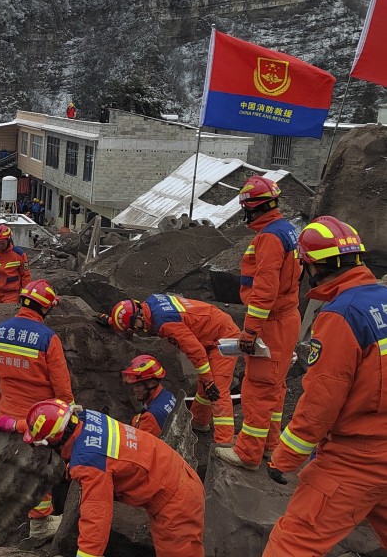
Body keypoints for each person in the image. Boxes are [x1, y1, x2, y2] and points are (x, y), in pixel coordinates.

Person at [264, 217, 387, 556]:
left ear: (312, 267)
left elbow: (321, 401)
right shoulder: (384, 299)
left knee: (292, 543)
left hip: (356, 459)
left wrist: (284, 457)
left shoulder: (341, 315)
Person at [23, 399, 205, 557]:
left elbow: (95, 521)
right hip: (174, 478)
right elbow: (53, 426)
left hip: (175, 501)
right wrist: (15, 425)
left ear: (55, 443)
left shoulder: (89, 464)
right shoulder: (86, 418)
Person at [215, 176, 301, 471]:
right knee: (275, 388)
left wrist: (250, 330)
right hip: (287, 319)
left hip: (272, 323)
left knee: (257, 388)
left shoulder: (268, 238)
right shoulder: (287, 230)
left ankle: (248, 453)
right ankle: (269, 445)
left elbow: (265, 290)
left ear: (252, 207)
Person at [0, 280, 73, 540]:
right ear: (45, 309)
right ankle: (38, 527)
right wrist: (68, 417)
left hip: (6, 415)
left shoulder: (0, 331)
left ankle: (1, 518)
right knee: (38, 473)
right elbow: (62, 388)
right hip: (39, 421)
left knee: (8, 466)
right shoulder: (48, 338)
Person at [106, 295, 237, 446]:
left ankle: (224, 443)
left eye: (133, 326)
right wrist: (111, 321)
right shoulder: (151, 303)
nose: (135, 330)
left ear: (139, 315)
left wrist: (209, 381)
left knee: (217, 389)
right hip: (212, 328)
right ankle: (199, 421)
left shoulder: (165, 324)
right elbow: (128, 316)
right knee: (205, 384)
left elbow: (195, 351)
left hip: (223, 337)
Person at [121, 355, 177, 438]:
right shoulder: (167, 395)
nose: (135, 390)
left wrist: (136, 422)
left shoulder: (149, 417)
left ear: (153, 383)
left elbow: (141, 446)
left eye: (138, 385)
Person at [0, 225, 31, 303]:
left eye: (2, 243)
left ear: (8, 240)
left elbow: (25, 276)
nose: (0, 245)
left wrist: (25, 296)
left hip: (11, 294)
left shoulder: (19, 255)